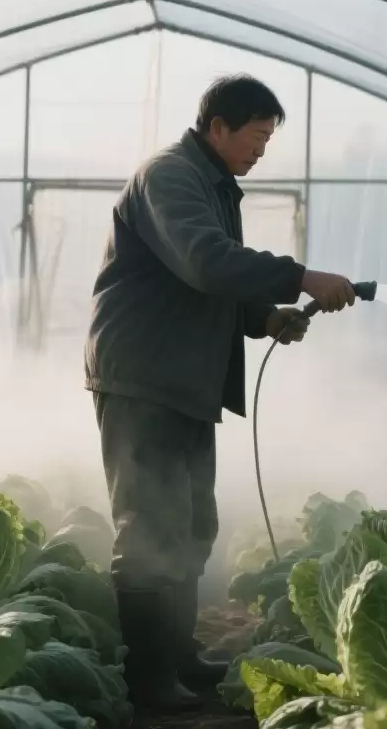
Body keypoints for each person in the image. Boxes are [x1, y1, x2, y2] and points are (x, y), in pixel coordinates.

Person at [85, 74, 357, 710]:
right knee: (150, 528)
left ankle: (176, 656)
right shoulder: (170, 176)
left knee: (191, 524)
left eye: (268, 140)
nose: (261, 151)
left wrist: (263, 317)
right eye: (256, 137)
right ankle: (148, 682)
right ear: (218, 127)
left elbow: (205, 287)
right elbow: (205, 261)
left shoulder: (211, 184)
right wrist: (300, 277)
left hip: (181, 378)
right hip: (144, 378)